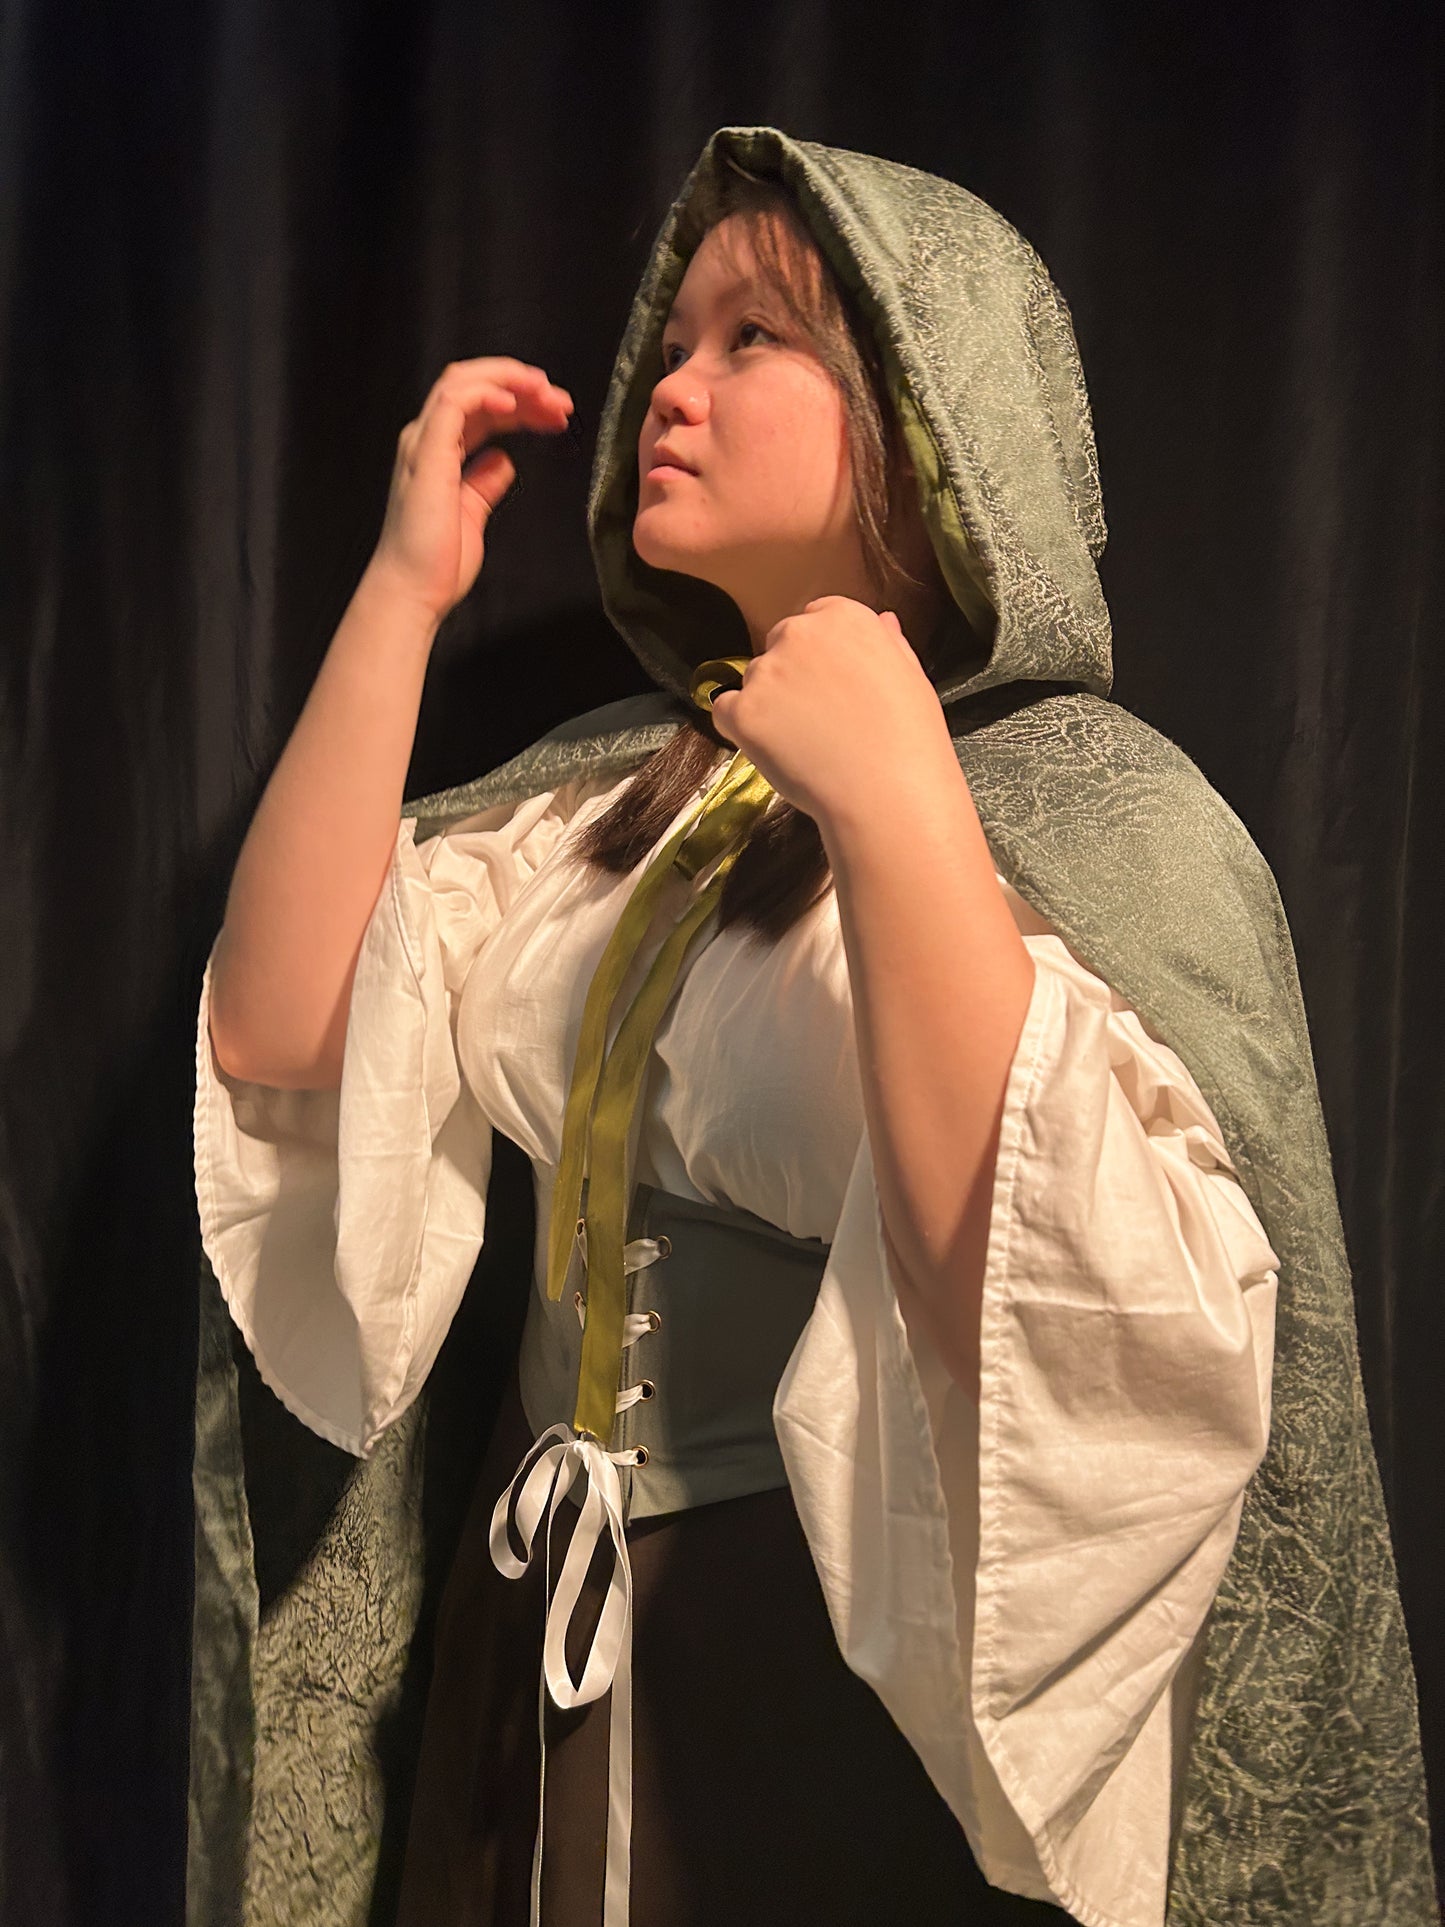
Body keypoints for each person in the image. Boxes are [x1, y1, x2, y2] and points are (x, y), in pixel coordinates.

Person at [190, 129, 1436, 1927]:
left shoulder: (1096, 827)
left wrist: (897, 796)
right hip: (524, 1632)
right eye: (670, 343)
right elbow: (282, 1034)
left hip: (827, 1679)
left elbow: (1045, 1305)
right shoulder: (608, 798)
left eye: (750, 338)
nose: (668, 388)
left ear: (926, 411)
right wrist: (405, 591)